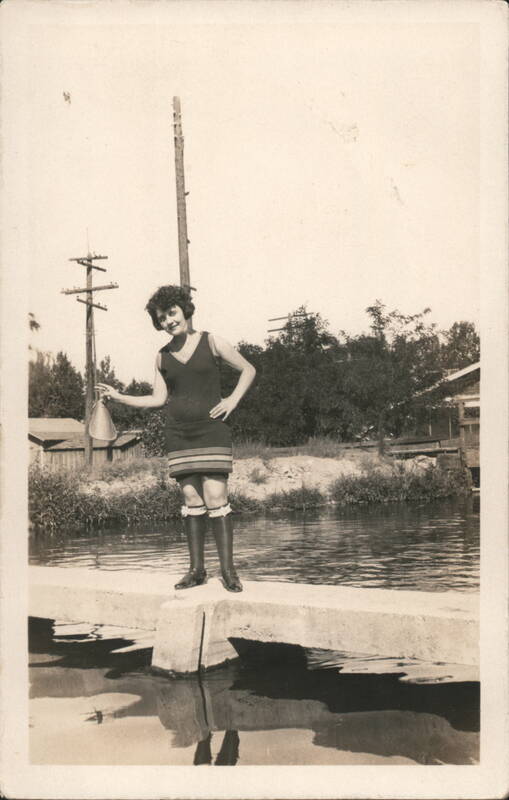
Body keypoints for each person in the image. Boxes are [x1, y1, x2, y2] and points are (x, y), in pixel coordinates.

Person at [96, 284, 256, 593]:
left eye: (172, 313)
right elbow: (157, 399)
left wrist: (232, 401)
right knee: (192, 500)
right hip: (180, 434)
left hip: (212, 430)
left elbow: (248, 369)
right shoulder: (162, 357)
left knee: (215, 498)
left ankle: (228, 572)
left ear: (184, 310)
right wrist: (119, 397)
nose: (169, 321)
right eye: (162, 318)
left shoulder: (212, 342)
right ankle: (196, 571)